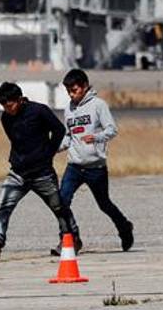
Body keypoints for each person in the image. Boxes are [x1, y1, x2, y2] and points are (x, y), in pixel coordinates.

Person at [0, 82, 77, 259]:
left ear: (20, 100)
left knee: (59, 207)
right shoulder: (5, 118)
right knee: (3, 207)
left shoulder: (39, 111)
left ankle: (71, 239)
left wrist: (48, 152)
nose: (7, 109)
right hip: (18, 173)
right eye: (3, 106)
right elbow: (15, 141)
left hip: (42, 173)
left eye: (9, 105)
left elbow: (59, 130)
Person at [55, 68, 134, 255]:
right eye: (68, 91)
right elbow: (69, 137)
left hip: (95, 167)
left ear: (84, 86)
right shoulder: (69, 109)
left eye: (74, 90)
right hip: (74, 166)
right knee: (61, 202)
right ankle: (69, 239)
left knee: (104, 204)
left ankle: (124, 228)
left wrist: (96, 137)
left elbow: (112, 130)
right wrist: (53, 148)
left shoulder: (99, 105)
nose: (71, 95)